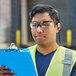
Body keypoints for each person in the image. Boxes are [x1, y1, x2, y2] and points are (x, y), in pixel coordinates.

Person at [0, 4, 76, 76]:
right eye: (34, 25)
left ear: (57, 27)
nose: (39, 30)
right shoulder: (20, 56)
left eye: (45, 24)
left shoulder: (73, 58)